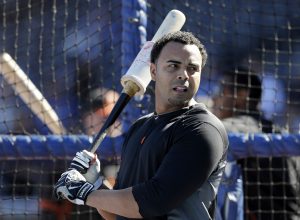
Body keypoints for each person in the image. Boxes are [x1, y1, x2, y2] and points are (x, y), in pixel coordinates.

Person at [54, 31, 229, 220]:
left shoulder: (202, 129)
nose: (184, 75)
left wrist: (84, 193)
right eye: (173, 66)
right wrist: (95, 183)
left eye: (192, 68)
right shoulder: (140, 127)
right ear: (153, 71)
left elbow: (153, 201)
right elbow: (117, 212)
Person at [213, 68, 300, 220]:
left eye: (221, 91)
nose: (214, 98)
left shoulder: (225, 129)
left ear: (241, 95)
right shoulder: (282, 134)